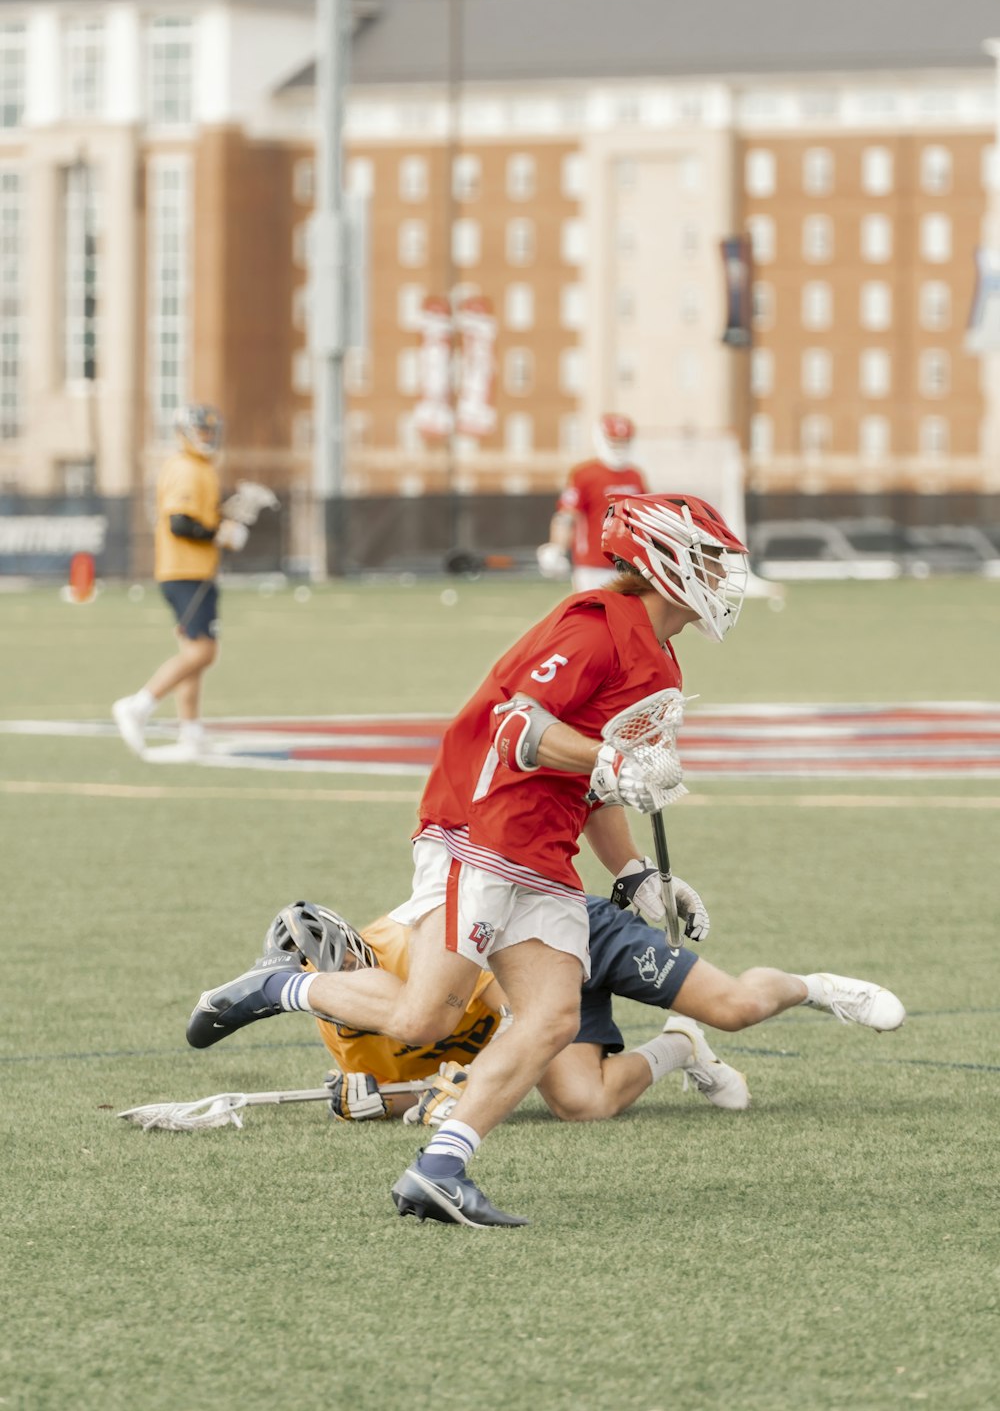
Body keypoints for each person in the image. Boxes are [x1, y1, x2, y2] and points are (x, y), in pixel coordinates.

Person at [182, 491, 904, 1229]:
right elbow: (518, 728)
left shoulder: (661, 665)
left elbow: (591, 784)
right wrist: (613, 757)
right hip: (485, 826)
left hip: (545, 843)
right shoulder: (596, 629)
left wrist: (634, 874)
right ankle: (283, 986)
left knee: (554, 1018)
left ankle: (439, 1169)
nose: (722, 578)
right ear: (664, 561)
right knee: (423, 1017)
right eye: (709, 559)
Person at [186, 894, 751, 1124]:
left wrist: (468, 1084)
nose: (352, 994)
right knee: (586, 1103)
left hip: (537, 972)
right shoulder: (346, 1036)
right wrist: (375, 1101)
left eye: (353, 976)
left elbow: (523, 1016)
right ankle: (681, 1044)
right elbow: (422, 1085)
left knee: (570, 1094)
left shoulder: (413, 947)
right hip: (515, 1022)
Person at [111, 404, 248, 763]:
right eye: (200, 431)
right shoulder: (187, 469)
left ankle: (191, 731)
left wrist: (226, 518)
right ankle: (138, 705)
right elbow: (180, 524)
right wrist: (221, 533)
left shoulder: (201, 468)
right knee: (202, 652)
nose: (205, 437)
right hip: (183, 571)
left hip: (195, 571)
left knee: (197, 654)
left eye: (208, 431)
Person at [536, 413, 648, 590]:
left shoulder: (635, 476)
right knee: (594, 615)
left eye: (623, 442)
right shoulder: (584, 474)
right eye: (614, 441)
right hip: (592, 565)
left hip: (627, 563)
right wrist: (557, 547)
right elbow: (567, 515)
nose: (619, 447)